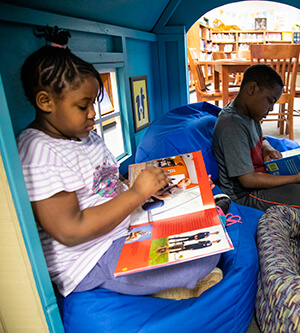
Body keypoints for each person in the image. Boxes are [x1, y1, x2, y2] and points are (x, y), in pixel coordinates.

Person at [17, 27, 221, 299]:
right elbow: (71, 231)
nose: (93, 114)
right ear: (45, 102)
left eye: (95, 104)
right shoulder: (38, 152)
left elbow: (105, 186)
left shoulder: (84, 137)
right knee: (204, 257)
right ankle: (173, 290)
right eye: (83, 106)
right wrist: (138, 193)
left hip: (125, 228)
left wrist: (145, 187)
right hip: (93, 259)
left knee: (207, 223)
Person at [213, 64, 300, 211]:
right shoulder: (232, 125)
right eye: (270, 101)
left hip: (262, 176)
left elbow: (261, 137)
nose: (271, 109)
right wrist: (296, 178)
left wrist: (267, 148)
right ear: (252, 89)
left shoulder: (249, 112)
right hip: (245, 195)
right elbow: (247, 180)